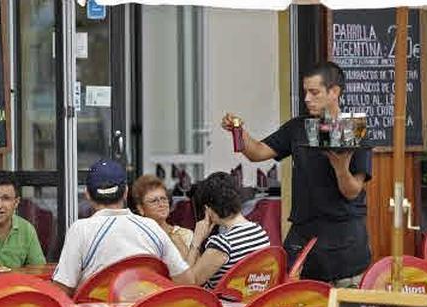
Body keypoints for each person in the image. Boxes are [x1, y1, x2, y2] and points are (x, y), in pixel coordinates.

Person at [222, 61, 372, 287]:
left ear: (334, 92)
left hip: (344, 240)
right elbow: (258, 153)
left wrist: (340, 168)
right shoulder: (298, 127)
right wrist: (239, 133)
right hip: (303, 236)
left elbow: (352, 192)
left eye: (314, 92)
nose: (307, 99)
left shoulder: (353, 129)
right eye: (305, 92)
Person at [52, 159, 195, 296]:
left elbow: (61, 290)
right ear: (125, 192)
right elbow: (187, 282)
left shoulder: (80, 230)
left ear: (88, 195)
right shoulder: (151, 226)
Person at [179, 172, 270, 290]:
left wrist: (196, 242)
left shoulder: (222, 243)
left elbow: (187, 284)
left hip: (221, 304)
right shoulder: (260, 233)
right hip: (251, 302)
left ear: (208, 209)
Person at [132, 174, 193, 254]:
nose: (161, 204)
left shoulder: (185, 234)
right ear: (140, 209)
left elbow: (193, 266)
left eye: (163, 199)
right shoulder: (135, 237)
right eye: (154, 201)